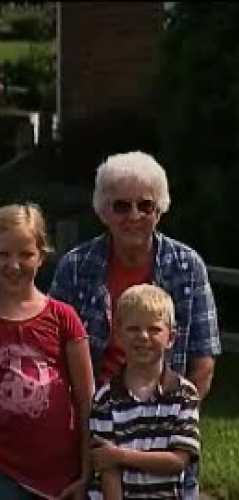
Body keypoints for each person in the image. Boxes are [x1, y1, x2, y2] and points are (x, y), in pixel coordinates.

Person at [49, 151, 220, 496]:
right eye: (121, 206)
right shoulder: (76, 267)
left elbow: (203, 359)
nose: (134, 216)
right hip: (95, 429)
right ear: (101, 210)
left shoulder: (188, 267)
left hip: (166, 432)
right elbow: (52, 354)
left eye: (145, 205)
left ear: (160, 209)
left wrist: (170, 425)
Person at [0, 203, 95, 500]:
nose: (14, 265)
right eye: (3, 254)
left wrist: (87, 473)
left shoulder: (63, 318)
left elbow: (86, 400)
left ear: (42, 256)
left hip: (60, 475)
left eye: (25, 254)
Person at [88, 284, 200, 500]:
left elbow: (178, 461)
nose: (143, 336)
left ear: (171, 338)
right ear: (119, 336)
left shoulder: (184, 394)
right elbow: (107, 470)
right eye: (133, 329)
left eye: (154, 329)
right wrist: (113, 459)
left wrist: (120, 456)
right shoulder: (105, 399)